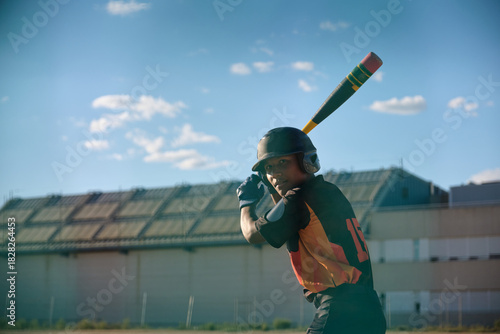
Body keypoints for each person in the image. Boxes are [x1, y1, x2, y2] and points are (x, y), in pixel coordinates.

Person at [237, 127, 386, 334]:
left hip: (340, 308)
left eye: (283, 162)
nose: (275, 172)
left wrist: (246, 203)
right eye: (269, 167)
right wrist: (273, 186)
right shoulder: (327, 191)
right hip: (369, 309)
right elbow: (289, 223)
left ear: (307, 161)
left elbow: (252, 234)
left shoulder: (300, 198)